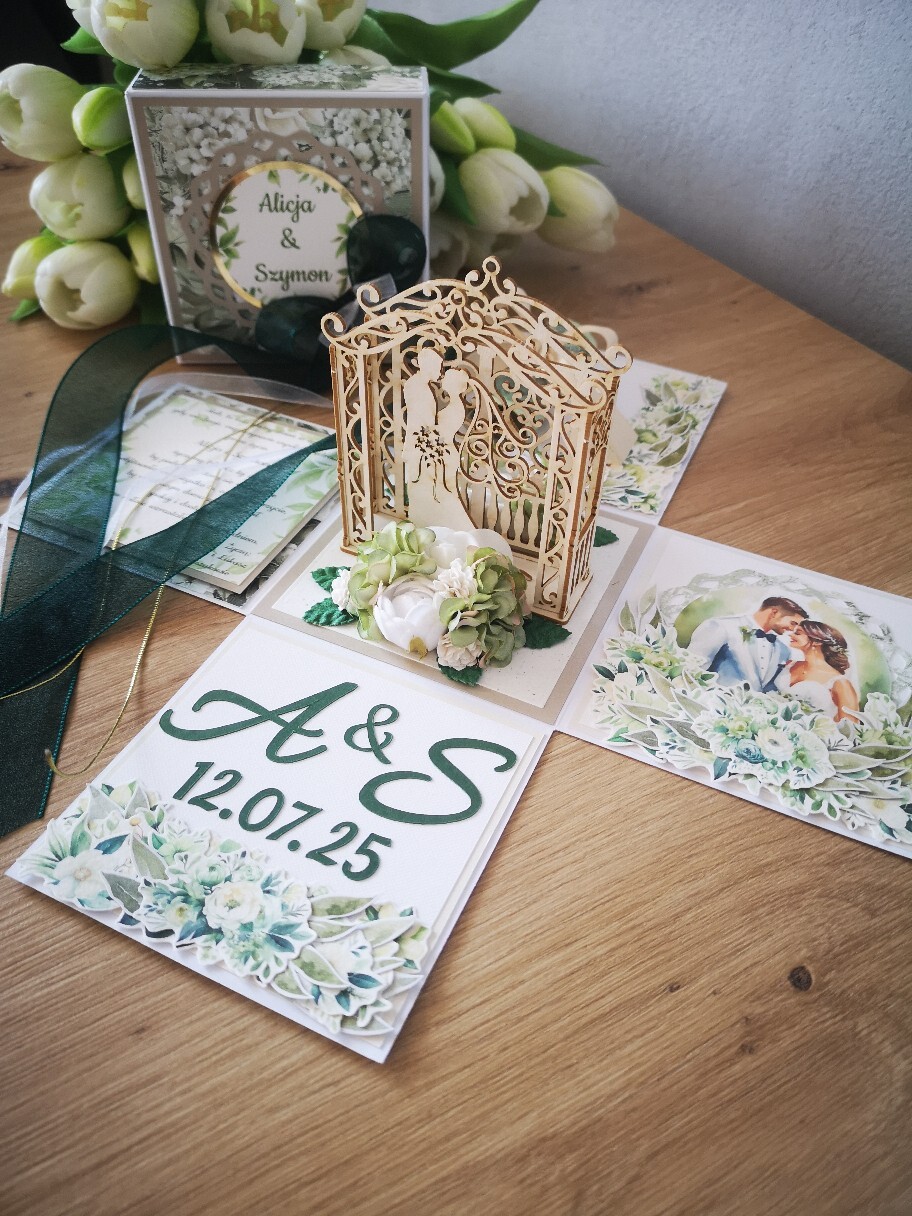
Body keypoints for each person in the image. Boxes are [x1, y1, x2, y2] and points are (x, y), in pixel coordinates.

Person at [687, 595, 808, 692]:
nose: (793, 630)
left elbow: (769, 688)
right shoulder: (720, 626)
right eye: (793, 623)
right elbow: (691, 669)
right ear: (774, 613)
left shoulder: (783, 650)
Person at [775, 619, 860, 721]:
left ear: (817, 641)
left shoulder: (839, 683)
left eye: (798, 633)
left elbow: (851, 725)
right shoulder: (790, 664)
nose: (791, 635)